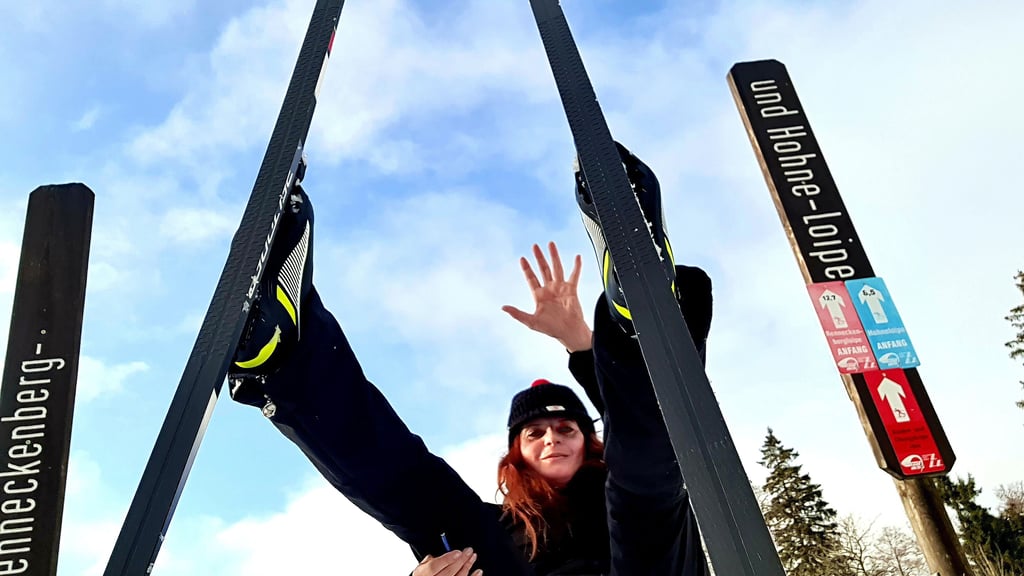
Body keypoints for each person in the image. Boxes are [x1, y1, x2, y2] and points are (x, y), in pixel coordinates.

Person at [226, 142, 714, 576]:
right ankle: (285, 358)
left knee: (649, 468)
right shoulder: (498, 529)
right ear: (515, 454)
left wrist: (586, 346)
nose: (552, 439)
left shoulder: (623, 484)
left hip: (649, 552)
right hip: (506, 556)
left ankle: (637, 314)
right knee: (420, 492)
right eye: (536, 433)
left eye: (567, 429)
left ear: (590, 442)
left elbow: (631, 427)